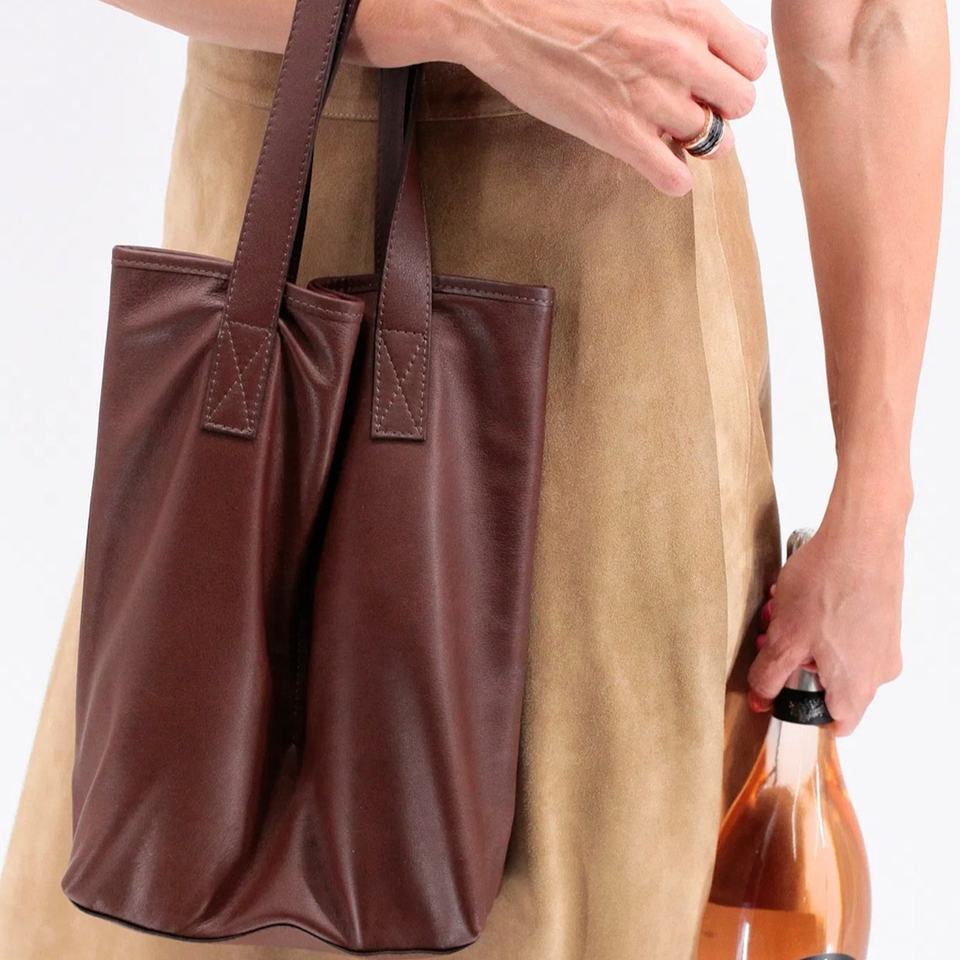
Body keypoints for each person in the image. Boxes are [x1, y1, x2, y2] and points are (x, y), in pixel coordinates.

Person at [0, 1, 947, 958]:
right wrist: (470, 16)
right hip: (273, 266)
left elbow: (869, 25)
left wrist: (876, 505)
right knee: (182, 866)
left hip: (614, 353)